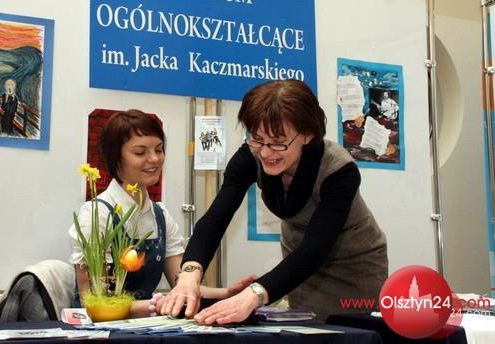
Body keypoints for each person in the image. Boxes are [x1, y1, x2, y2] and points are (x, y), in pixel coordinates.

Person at [160, 80, 388, 323]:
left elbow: (316, 248)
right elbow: (216, 218)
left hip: (354, 268)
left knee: (353, 332)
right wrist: (189, 275)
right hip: (297, 271)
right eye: (258, 139)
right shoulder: (250, 157)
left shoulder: (339, 169)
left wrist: (253, 295)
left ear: (307, 134)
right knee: (306, 330)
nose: (266, 152)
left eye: (278, 142)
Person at [68, 109, 254, 317]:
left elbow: (183, 284)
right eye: (140, 153)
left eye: (159, 149)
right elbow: (93, 304)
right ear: (115, 158)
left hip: (145, 326)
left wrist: (228, 294)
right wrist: (157, 304)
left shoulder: (160, 216)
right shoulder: (96, 215)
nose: (154, 159)